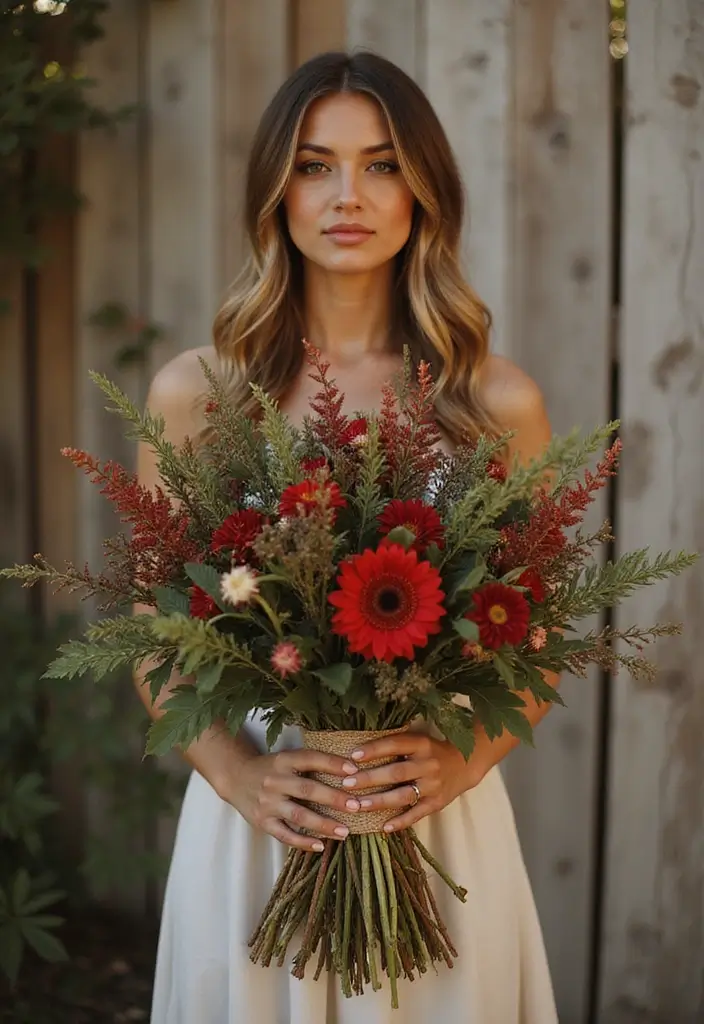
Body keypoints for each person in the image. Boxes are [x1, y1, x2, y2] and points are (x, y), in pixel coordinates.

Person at [138, 50, 559, 1024]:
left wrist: (463, 761)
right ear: (274, 189)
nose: (347, 194)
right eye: (314, 164)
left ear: (422, 189)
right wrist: (240, 775)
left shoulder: (494, 401)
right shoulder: (197, 394)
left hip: (431, 820)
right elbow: (153, 639)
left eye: (379, 163)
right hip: (259, 822)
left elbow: (535, 642)